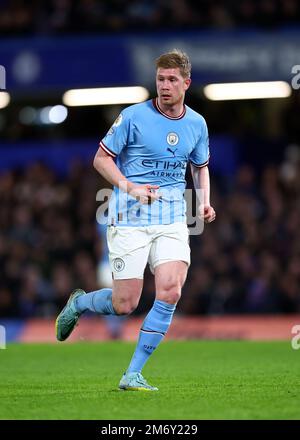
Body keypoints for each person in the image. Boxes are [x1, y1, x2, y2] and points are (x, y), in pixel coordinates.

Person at [55, 49, 216, 391]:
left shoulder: (197, 124)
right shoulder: (132, 116)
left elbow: (199, 167)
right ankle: (80, 302)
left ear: (186, 83)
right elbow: (100, 159)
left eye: (172, 80)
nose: (165, 86)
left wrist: (204, 202)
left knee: (171, 290)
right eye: (160, 79)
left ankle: (132, 374)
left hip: (172, 216)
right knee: (124, 303)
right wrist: (130, 187)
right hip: (130, 216)